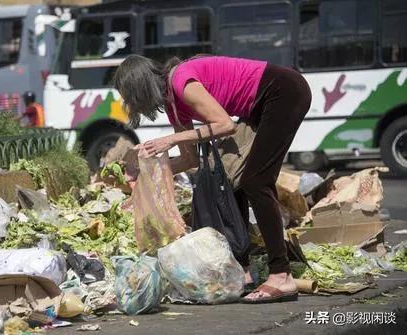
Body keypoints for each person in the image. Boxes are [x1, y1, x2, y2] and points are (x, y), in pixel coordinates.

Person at [113, 54, 312, 303]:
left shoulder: (181, 82)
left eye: (129, 96)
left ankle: (281, 275)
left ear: (139, 88)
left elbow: (225, 125)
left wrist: (171, 140)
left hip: (283, 91)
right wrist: (144, 173)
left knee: (257, 181)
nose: (131, 104)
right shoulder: (175, 106)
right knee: (229, 181)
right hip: (260, 105)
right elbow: (190, 161)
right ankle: (243, 269)